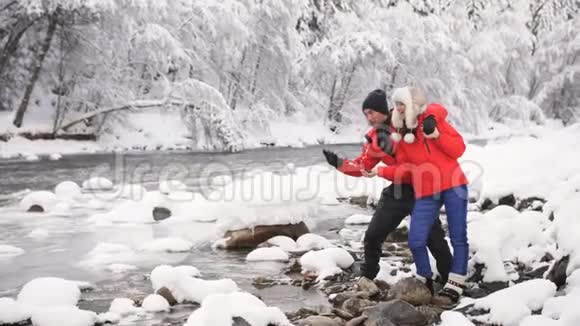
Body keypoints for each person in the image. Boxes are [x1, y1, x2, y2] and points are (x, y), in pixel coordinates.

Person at [322, 89, 452, 293]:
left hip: (424, 189)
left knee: (433, 238)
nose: (368, 117)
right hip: (398, 191)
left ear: (383, 111)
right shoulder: (375, 136)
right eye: (365, 114)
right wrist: (339, 164)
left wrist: (432, 120)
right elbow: (364, 166)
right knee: (373, 235)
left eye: (371, 112)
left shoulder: (406, 118)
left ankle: (450, 279)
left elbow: (438, 109)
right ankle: (367, 277)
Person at [367, 86, 469, 306]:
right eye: (396, 104)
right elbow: (405, 168)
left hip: (454, 185)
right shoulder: (403, 136)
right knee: (415, 239)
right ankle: (425, 278)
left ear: (412, 104)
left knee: (458, 236)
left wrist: (436, 134)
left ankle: (456, 282)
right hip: (426, 190)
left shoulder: (433, 120)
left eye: (402, 103)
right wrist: (378, 171)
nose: (398, 108)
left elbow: (458, 149)